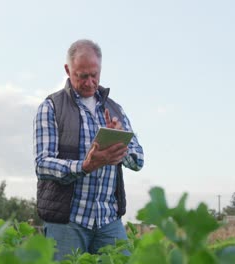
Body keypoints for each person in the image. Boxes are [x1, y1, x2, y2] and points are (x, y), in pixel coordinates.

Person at [33, 39, 144, 260]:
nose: (90, 82)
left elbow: (138, 160)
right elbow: (42, 164)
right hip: (67, 221)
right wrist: (85, 165)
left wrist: (121, 146)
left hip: (108, 220)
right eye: (82, 76)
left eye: (94, 75)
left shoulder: (115, 109)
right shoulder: (51, 107)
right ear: (68, 70)